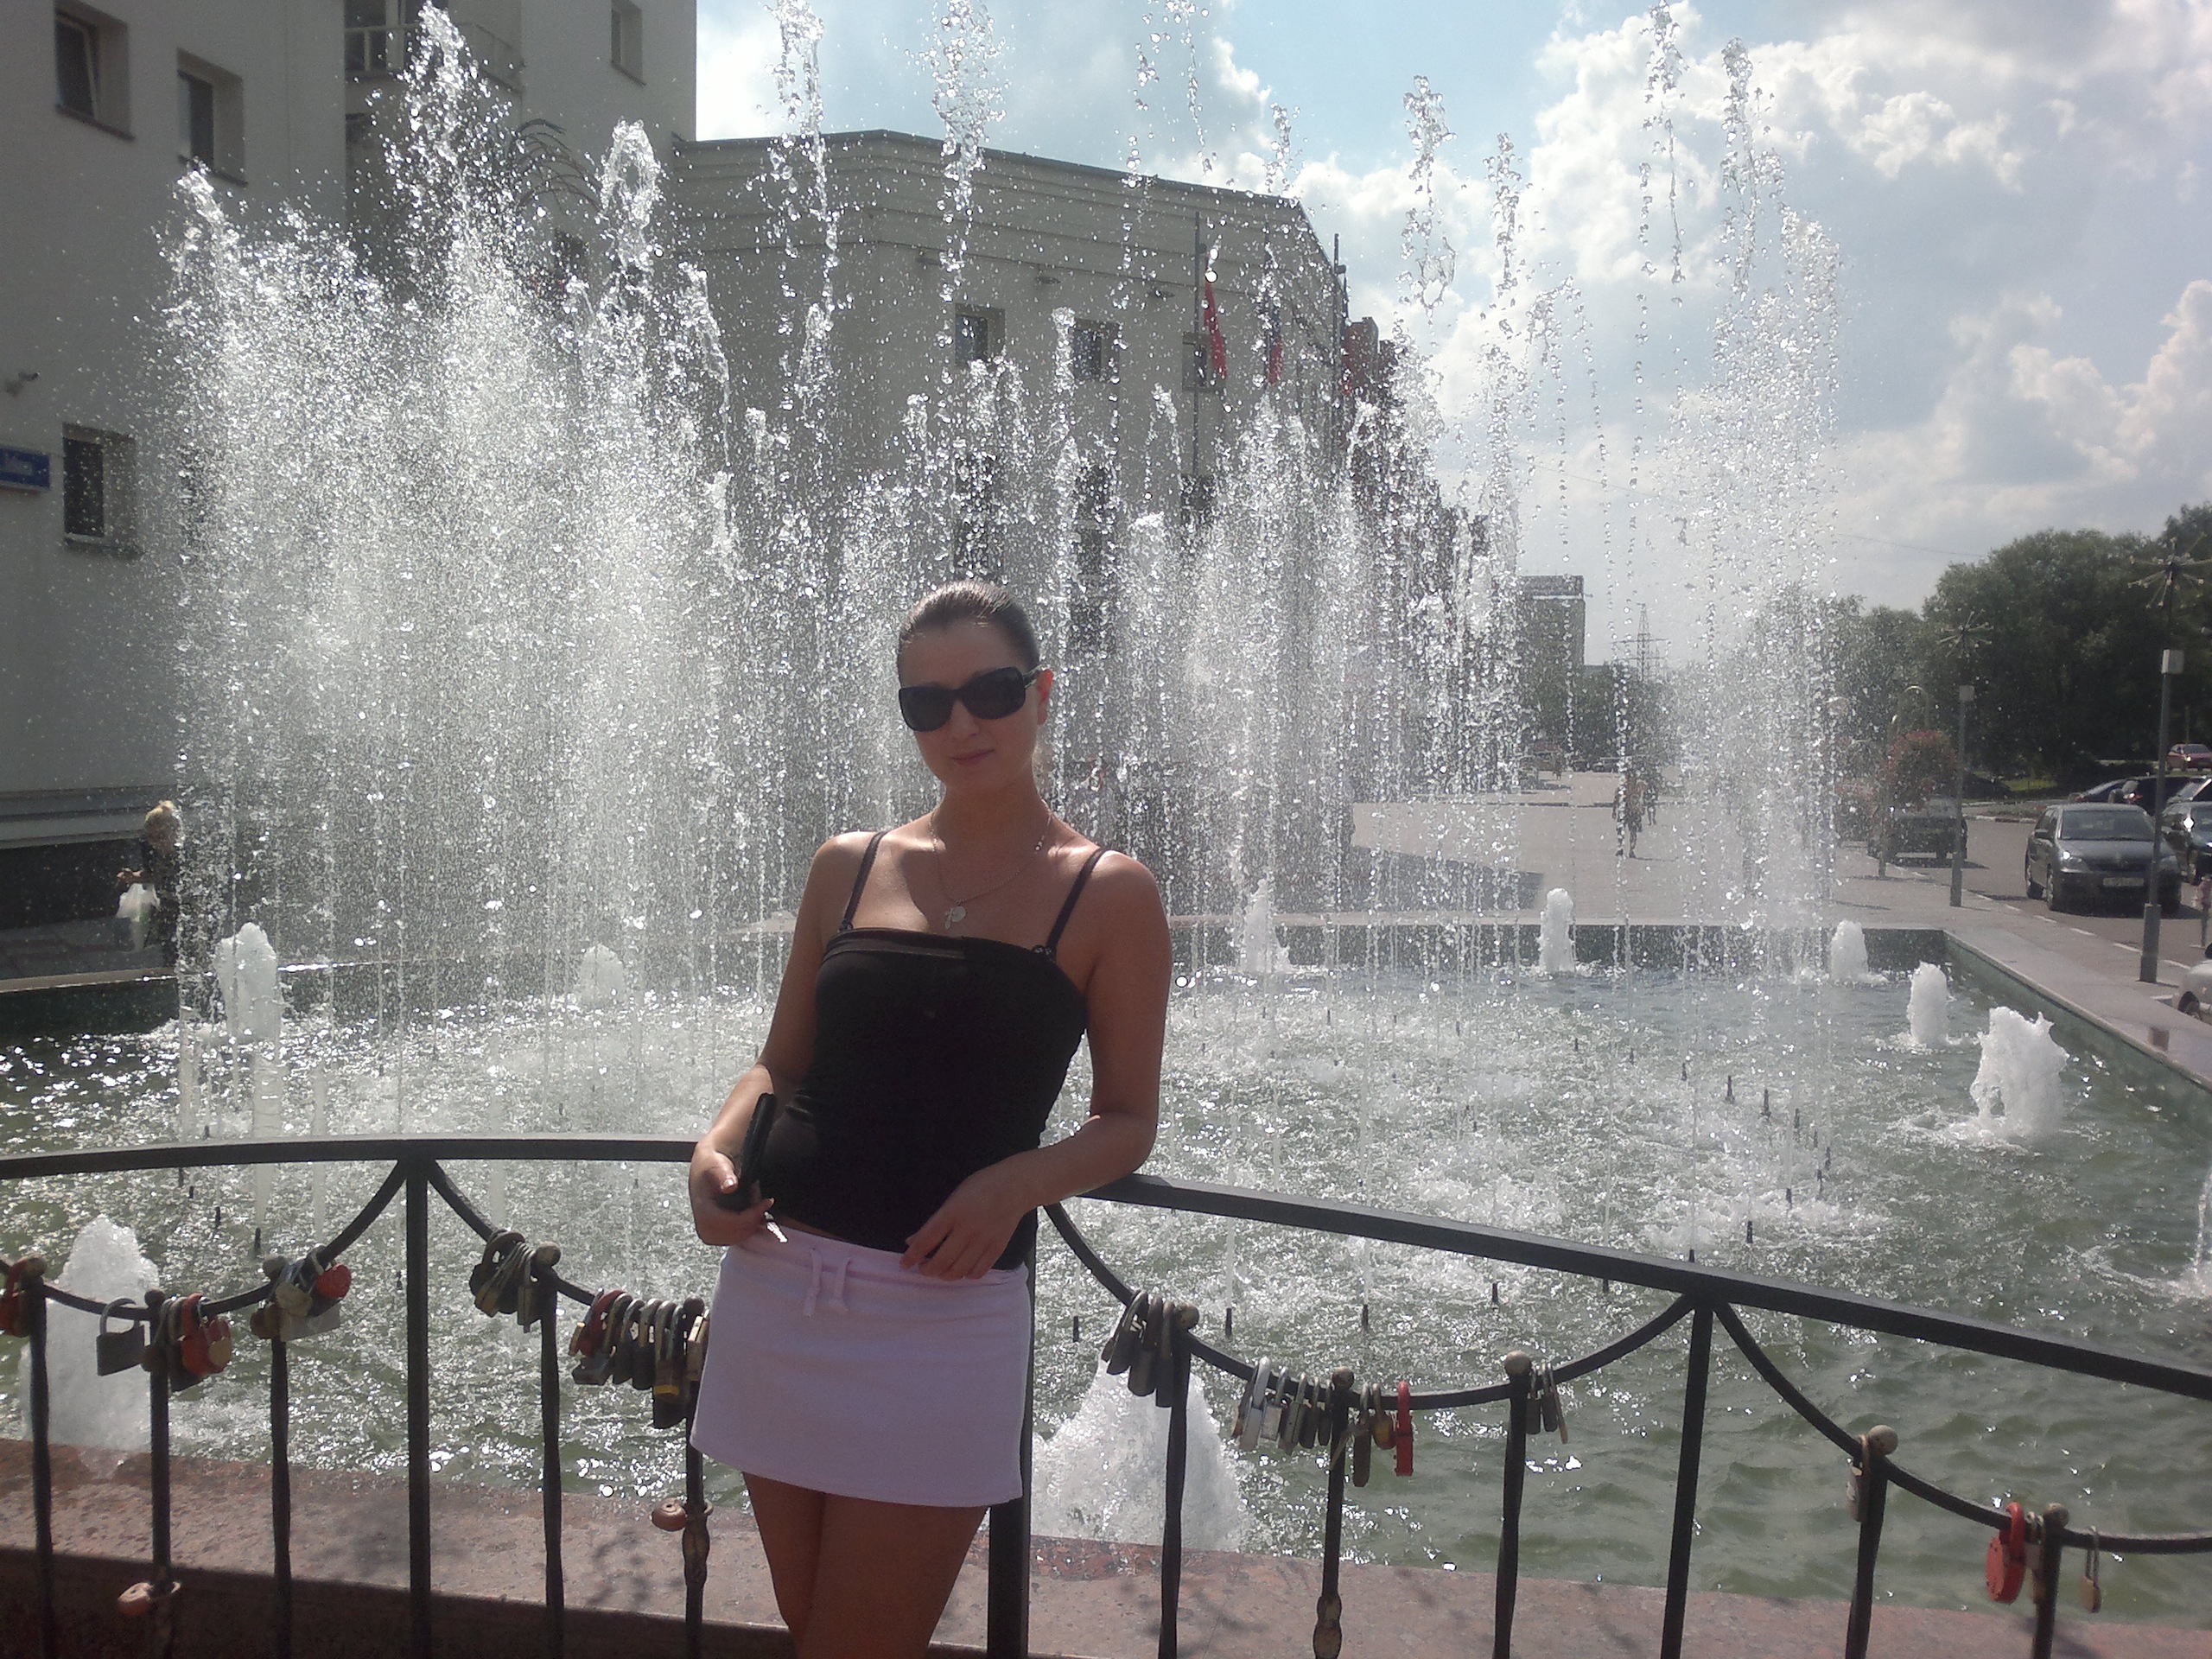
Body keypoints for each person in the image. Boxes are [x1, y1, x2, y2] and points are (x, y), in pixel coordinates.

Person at [686, 581, 1171, 1659]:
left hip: (940, 1315)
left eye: (990, 691)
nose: (961, 723)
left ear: (1042, 693)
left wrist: (1015, 1184)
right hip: (775, 1288)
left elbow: (1128, 1120)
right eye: (926, 703)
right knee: (817, 1632)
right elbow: (780, 1064)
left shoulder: (1109, 893)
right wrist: (712, 1147)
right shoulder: (848, 867)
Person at [117, 800, 182, 965]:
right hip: (167, 908)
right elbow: (154, 874)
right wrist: (135, 877)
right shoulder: (152, 851)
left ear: (175, 832)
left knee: (186, 949)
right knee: (169, 949)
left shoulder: (186, 853)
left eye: (161, 837)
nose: (156, 843)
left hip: (188, 909)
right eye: (151, 838)